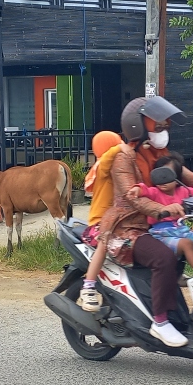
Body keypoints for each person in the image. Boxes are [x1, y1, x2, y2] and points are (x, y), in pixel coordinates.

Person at [95, 97, 193, 348]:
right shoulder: (124, 158)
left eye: (166, 127)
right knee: (163, 258)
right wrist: (163, 208)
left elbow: (186, 177)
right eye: (158, 127)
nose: (163, 132)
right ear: (139, 127)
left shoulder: (159, 154)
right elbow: (134, 198)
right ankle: (160, 322)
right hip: (127, 228)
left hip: (156, 226)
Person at [129, 158, 193, 275]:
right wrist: (137, 189)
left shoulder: (183, 191)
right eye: (160, 173)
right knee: (187, 244)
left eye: (168, 174)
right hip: (162, 233)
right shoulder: (154, 192)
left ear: (177, 179)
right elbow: (145, 190)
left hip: (181, 229)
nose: (163, 178)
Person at [77, 130, 123, 313]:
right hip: (100, 224)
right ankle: (88, 286)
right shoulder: (103, 167)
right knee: (106, 241)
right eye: (117, 144)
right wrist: (123, 147)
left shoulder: (119, 168)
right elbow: (108, 157)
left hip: (118, 221)